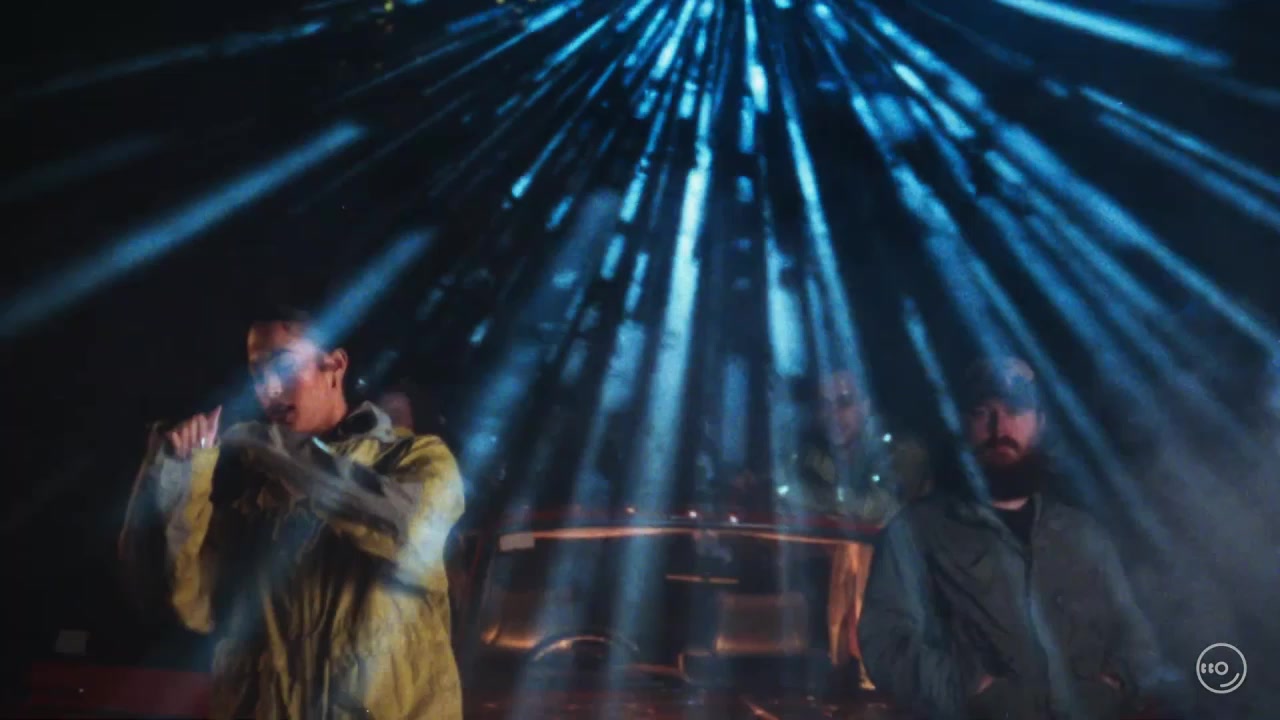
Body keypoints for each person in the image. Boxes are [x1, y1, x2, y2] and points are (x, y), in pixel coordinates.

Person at [118, 305, 465, 719]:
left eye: (281, 367)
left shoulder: (414, 460)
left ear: (335, 366)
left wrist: (271, 446)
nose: (267, 389)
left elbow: (406, 526)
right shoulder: (257, 504)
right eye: (256, 374)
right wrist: (175, 473)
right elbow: (182, 598)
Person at [858, 356, 1164, 719]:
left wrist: (1114, 686)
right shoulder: (915, 532)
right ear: (962, 422)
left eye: (1015, 410)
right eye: (983, 412)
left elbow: (1136, 638)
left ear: (1040, 423)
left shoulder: (1083, 535)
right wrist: (972, 691)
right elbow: (887, 644)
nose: (999, 427)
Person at [789, 370, 932, 687]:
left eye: (844, 402)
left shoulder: (902, 451)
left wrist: (809, 498)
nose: (833, 415)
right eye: (825, 404)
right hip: (837, 591)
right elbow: (781, 494)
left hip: (901, 593)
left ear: (866, 405)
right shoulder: (811, 453)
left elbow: (878, 510)